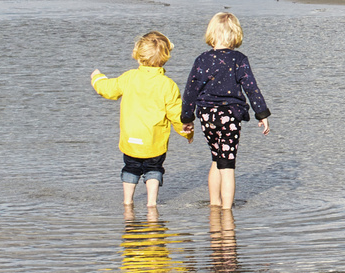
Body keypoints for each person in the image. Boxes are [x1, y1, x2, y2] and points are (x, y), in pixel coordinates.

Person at [91, 31, 192, 208]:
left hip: (131, 138)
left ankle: (127, 201)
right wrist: (186, 132)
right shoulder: (167, 85)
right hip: (154, 140)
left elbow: (108, 89)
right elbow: (176, 114)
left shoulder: (129, 77)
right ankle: (151, 203)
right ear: (166, 57)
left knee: (130, 167)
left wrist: (97, 78)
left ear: (138, 55)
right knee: (153, 169)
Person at [182, 12, 271, 210]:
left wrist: (187, 118)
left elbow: (190, 90)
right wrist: (262, 114)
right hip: (230, 115)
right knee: (228, 164)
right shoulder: (239, 59)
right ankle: (226, 210)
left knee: (216, 158)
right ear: (235, 34)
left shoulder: (201, 60)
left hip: (206, 115)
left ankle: (214, 205)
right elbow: (251, 87)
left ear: (211, 33)